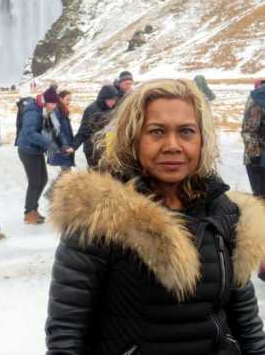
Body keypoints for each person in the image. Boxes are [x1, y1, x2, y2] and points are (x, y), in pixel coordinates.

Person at [46, 79, 265, 355]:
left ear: (202, 140)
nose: (172, 145)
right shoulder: (99, 217)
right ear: (133, 138)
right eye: (156, 132)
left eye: (186, 132)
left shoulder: (224, 212)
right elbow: (66, 334)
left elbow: (244, 318)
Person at [16, 86, 60, 224]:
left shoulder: (43, 110)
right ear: (46, 101)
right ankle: (29, 213)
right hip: (28, 150)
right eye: (52, 104)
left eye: (55, 104)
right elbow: (30, 133)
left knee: (42, 180)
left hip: (36, 150)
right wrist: (48, 143)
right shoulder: (33, 112)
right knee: (35, 181)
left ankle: (33, 209)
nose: (54, 106)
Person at [73, 84, 118, 168]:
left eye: (114, 100)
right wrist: (73, 146)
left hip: (105, 148)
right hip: (92, 150)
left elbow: (110, 128)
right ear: (104, 98)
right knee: (96, 174)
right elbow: (84, 130)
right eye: (111, 100)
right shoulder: (92, 110)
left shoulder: (110, 109)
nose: (113, 102)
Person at [241, 79, 265, 197]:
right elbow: (249, 131)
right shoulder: (258, 98)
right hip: (258, 161)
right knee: (261, 203)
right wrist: (256, 156)